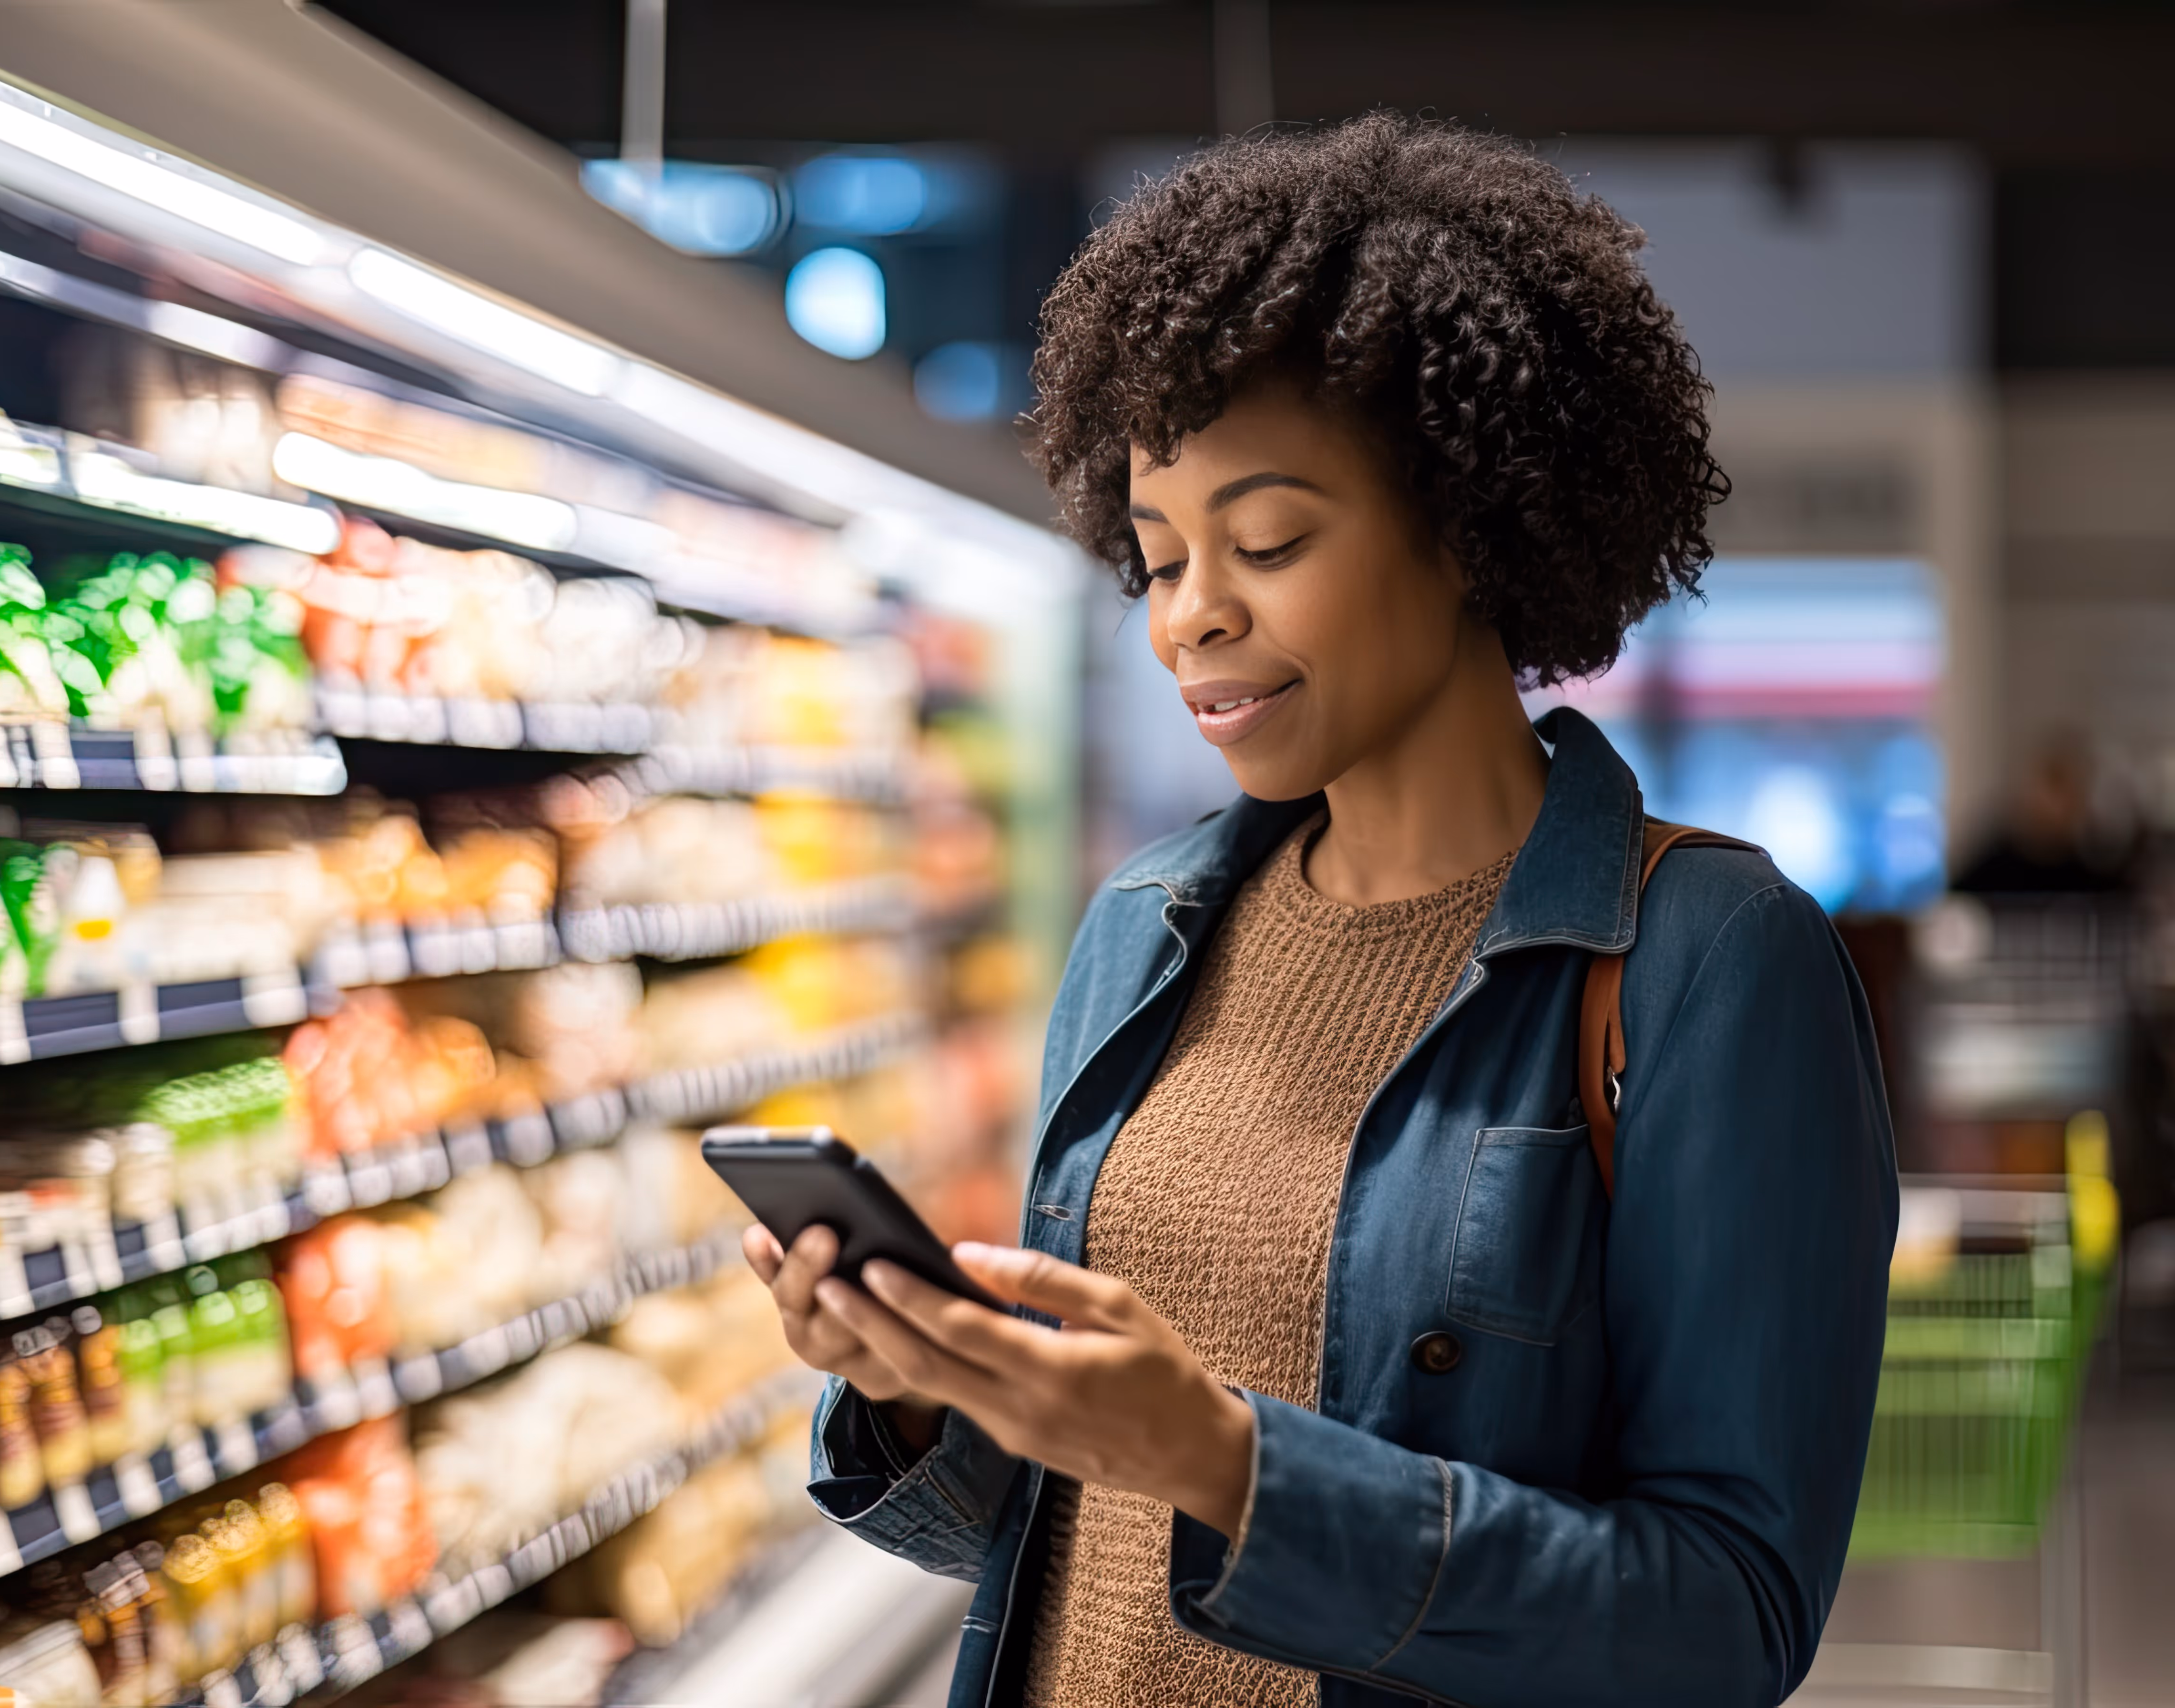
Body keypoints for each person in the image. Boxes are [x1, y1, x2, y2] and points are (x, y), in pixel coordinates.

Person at [746, 113, 1898, 1708]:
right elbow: (1061, 1536)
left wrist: (1235, 1466)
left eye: (1269, 541)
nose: (1192, 615)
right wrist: (928, 1391)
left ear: (1469, 525)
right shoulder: (1142, 930)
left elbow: (1724, 1623)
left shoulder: (1707, 962)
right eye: (1155, 561)